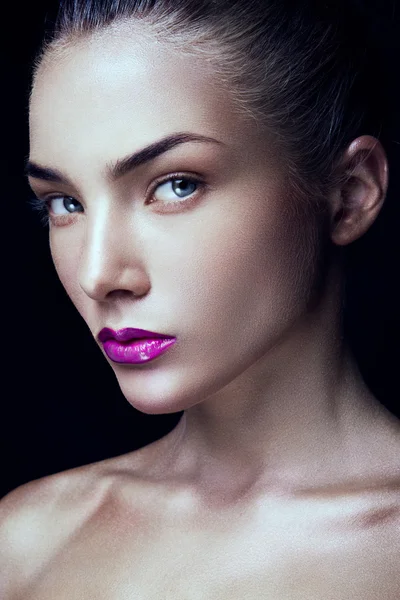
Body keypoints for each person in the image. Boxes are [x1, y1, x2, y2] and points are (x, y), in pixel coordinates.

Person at [1, 0, 399, 597]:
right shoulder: (25, 542)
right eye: (65, 203)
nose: (99, 272)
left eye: (175, 185)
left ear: (350, 193)